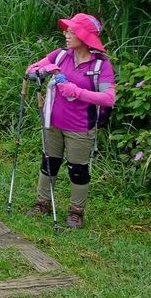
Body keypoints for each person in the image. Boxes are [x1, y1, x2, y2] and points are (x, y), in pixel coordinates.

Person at [25, 13, 116, 229]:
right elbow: (30, 71)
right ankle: (42, 203)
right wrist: (44, 70)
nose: (66, 34)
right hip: (52, 122)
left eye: (72, 32)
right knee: (48, 163)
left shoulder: (101, 65)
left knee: (78, 170)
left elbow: (108, 98)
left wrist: (76, 91)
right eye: (67, 30)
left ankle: (76, 212)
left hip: (81, 127)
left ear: (84, 37)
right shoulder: (61, 56)